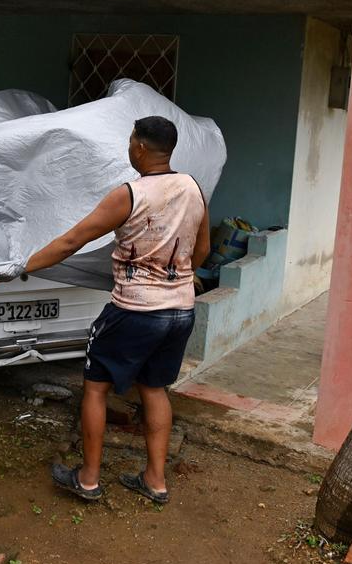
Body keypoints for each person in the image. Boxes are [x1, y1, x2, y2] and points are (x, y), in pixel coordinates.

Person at [17, 116, 210, 504]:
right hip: (180, 311)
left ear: (139, 147)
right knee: (155, 389)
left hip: (135, 312)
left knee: (96, 387)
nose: (128, 148)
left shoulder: (130, 194)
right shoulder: (193, 188)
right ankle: (156, 481)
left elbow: (72, 240)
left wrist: (22, 266)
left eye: (130, 142)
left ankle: (88, 478)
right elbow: (202, 250)